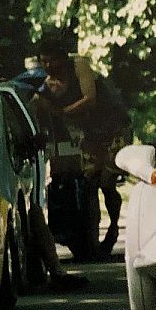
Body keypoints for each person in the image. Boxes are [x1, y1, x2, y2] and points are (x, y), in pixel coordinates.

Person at [34, 32, 129, 255]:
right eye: (44, 61)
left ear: (63, 58)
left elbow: (90, 99)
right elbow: (39, 108)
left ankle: (113, 227)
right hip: (91, 135)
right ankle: (91, 237)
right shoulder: (48, 86)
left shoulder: (79, 66)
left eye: (53, 60)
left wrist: (60, 111)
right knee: (89, 182)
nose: (49, 66)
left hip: (114, 127)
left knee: (107, 181)